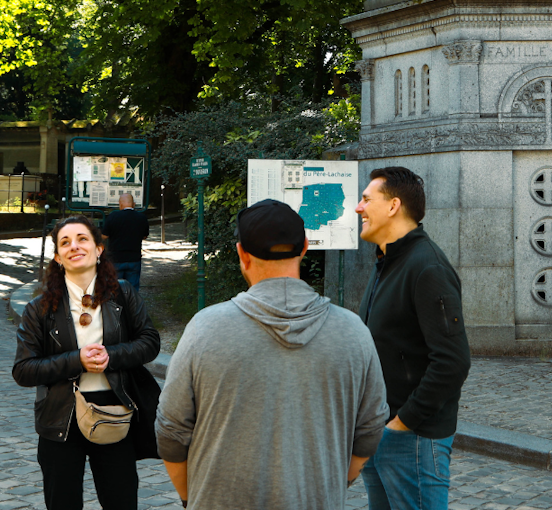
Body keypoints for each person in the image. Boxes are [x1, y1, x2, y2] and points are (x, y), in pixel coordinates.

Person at [155, 199, 389, 510]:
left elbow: (170, 431)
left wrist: (191, 497)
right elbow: (371, 428)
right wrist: (334, 483)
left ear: (241, 253)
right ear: (305, 247)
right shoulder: (353, 331)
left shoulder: (205, 329)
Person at [14, 215, 161, 510]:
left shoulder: (124, 294)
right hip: (60, 421)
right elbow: (24, 369)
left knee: (121, 502)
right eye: (65, 242)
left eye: (82, 239)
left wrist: (113, 356)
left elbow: (150, 342)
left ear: (98, 248)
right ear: (57, 256)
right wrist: (76, 360)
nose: (74, 246)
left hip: (115, 413)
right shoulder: (39, 308)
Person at [355, 167, 471, 510]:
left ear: (393, 206)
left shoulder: (427, 267)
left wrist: (402, 423)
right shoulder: (388, 261)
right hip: (381, 433)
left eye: (365, 199)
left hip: (413, 439)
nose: (358, 208)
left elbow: (453, 362)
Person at [102, 193, 150, 292]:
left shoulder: (113, 216)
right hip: (134, 258)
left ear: (120, 204)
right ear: (134, 204)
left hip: (116, 258)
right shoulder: (142, 218)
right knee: (132, 289)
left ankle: (116, 306)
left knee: (114, 288)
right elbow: (145, 236)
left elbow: (104, 236)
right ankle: (132, 307)